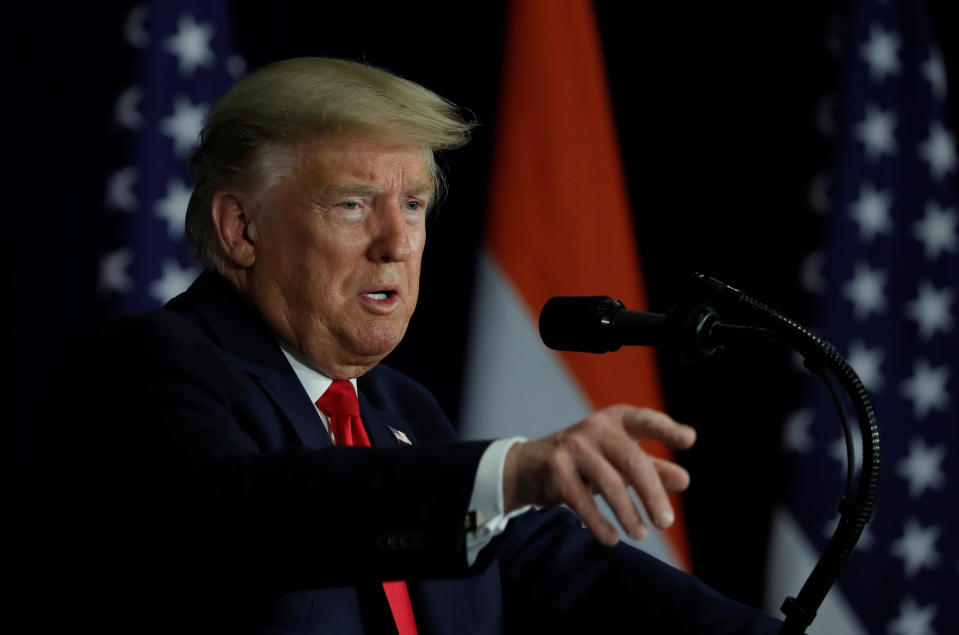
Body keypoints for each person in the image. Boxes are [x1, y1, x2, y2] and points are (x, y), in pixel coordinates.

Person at [41, 58, 783, 633]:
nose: (396, 242)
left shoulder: (402, 408)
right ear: (242, 229)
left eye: (415, 205)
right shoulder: (146, 364)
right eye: (352, 205)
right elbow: (250, 514)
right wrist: (509, 467)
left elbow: (558, 567)